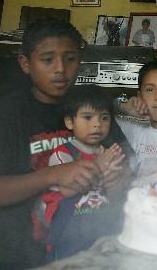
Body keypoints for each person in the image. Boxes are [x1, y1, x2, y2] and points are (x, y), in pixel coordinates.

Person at [0, 19, 132, 270]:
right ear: (25, 63)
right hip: (19, 254)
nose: (60, 69)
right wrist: (53, 174)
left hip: (85, 253)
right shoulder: (7, 113)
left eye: (70, 59)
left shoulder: (93, 108)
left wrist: (117, 181)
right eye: (47, 59)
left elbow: (126, 170)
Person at [42, 85, 125, 261]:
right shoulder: (62, 154)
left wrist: (113, 181)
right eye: (87, 117)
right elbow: (69, 190)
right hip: (67, 236)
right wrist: (99, 166)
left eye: (104, 118)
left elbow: (114, 195)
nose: (97, 124)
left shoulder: (108, 153)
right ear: (69, 122)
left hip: (100, 231)